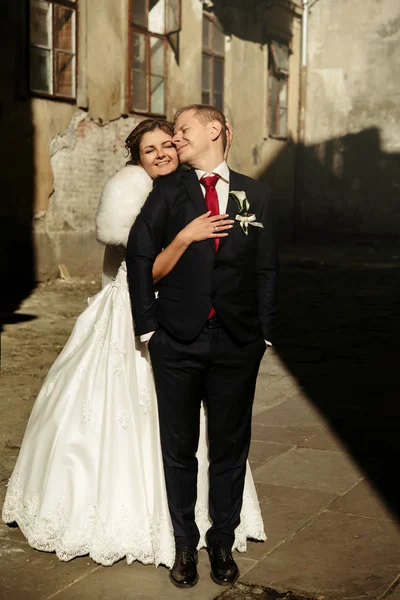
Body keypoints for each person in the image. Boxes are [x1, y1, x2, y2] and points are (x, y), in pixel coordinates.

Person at [2, 118, 266, 568]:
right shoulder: (133, 190)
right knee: (126, 411)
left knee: (197, 426)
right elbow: (142, 264)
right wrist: (184, 239)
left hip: (190, 318)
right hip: (135, 312)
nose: (162, 153)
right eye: (150, 150)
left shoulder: (193, 185)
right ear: (136, 158)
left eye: (169, 144)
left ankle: (209, 519)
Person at [127, 105, 278, 588]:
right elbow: (138, 256)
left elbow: (267, 268)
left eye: (183, 129)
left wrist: (264, 333)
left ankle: (221, 540)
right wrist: (149, 330)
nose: (176, 138)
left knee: (231, 448)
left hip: (237, 343)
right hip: (178, 341)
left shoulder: (256, 194)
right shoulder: (168, 191)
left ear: (214, 131)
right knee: (179, 449)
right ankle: (184, 545)